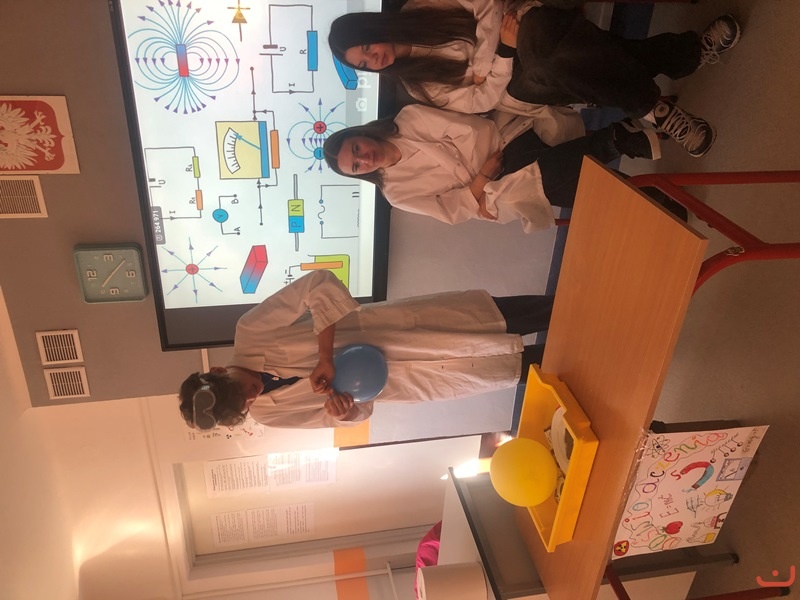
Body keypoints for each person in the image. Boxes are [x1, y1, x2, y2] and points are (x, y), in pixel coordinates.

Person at [329, 1, 742, 157]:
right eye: (365, 64)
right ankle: (687, 56)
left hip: (526, 27)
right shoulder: (418, 86)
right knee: (554, 60)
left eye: (366, 47)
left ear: (372, 28)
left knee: (552, 59)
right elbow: (480, 101)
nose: (374, 58)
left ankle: (657, 105)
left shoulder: (419, 9)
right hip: (516, 81)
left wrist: (481, 68)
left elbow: (486, 5)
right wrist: (501, 53)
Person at [178, 270, 554, 429]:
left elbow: (318, 284)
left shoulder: (251, 332)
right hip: (416, 380)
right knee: (542, 370)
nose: (252, 395)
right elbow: (341, 419)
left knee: (549, 312)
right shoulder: (267, 415)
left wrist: (325, 356)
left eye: (241, 389)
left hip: (417, 328)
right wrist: (343, 411)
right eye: (245, 404)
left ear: (218, 371)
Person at [322, 103, 660, 232]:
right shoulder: (396, 193)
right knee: (539, 183)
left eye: (356, 149)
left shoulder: (408, 119)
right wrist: (481, 180)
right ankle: (616, 141)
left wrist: (477, 183)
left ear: (360, 134)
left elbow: (471, 131)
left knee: (538, 182)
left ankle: (646, 197)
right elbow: (450, 211)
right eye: (356, 166)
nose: (364, 159)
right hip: (493, 188)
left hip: (503, 145)